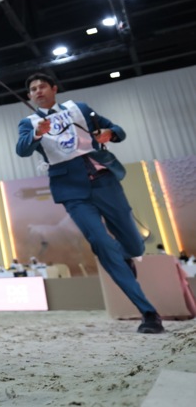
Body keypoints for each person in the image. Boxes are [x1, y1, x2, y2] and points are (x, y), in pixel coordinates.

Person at [15, 72, 164, 334]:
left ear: (54, 88)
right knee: (102, 244)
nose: (38, 91)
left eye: (42, 86)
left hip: (105, 182)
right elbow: (22, 149)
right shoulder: (29, 122)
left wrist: (109, 134)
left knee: (133, 243)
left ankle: (127, 255)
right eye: (33, 89)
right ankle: (148, 312)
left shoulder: (79, 109)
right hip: (71, 191)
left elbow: (118, 130)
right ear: (29, 96)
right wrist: (37, 134)